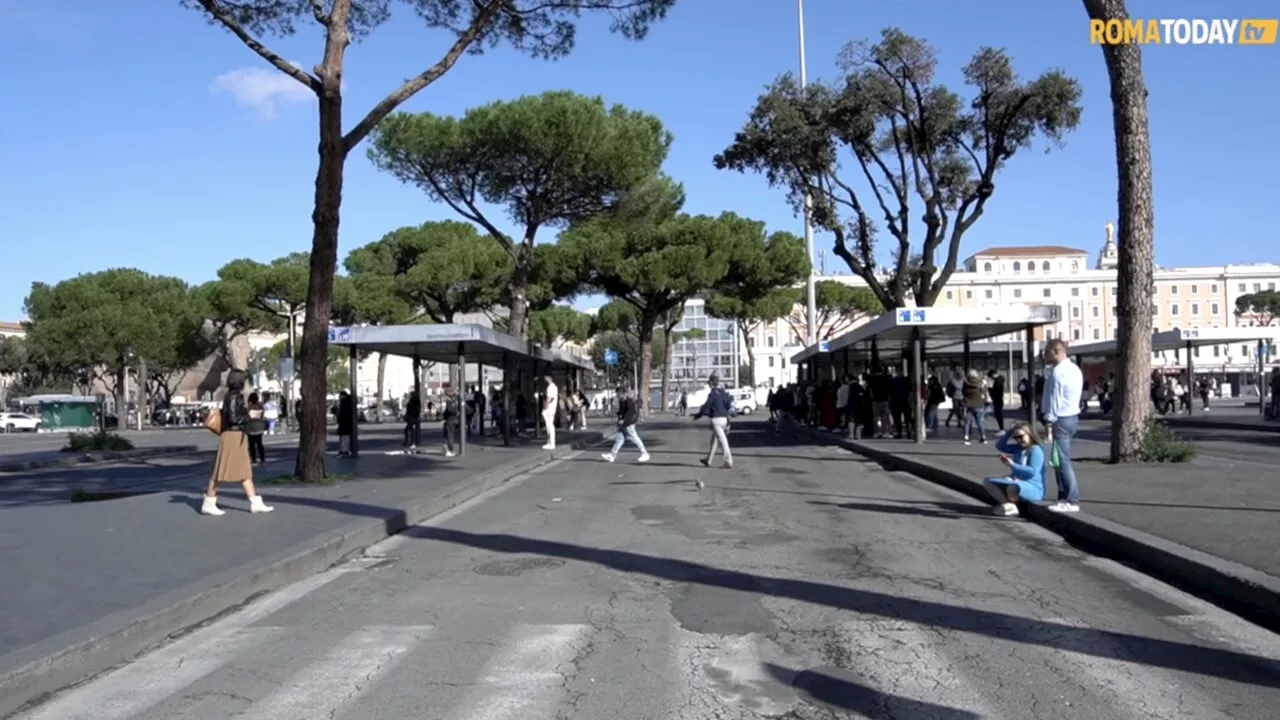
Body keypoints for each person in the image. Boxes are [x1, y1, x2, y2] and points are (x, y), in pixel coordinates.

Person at [202, 370, 273, 516]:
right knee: (221, 471)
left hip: (234, 436)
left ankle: (255, 502)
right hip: (233, 436)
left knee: (243, 470)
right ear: (240, 381)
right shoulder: (234, 397)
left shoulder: (231, 396)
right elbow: (234, 418)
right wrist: (249, 415)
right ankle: (209, 502)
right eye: (244, 380)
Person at [1041, 338, 1084, 512]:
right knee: (1059, 460)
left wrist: (1049, 421)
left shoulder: (1058, 372)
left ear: (1056, 352)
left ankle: (1071, 499)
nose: (1045, 355)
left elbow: (1055, 399)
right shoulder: (1074, 369)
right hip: (1072, 416)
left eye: (1047, 352)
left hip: (1060, 418)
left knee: (1062, 461)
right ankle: (1063, 497)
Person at [982, 423, 1046, 516]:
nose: (1019, 440)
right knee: (988, 482)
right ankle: (1010, 505)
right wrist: (1010, 432)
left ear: (1029, 434)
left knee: (1012, 488)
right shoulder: (1018, 448)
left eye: (1021, 436)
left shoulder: (1036, 450)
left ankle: (1010, 506)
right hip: (1017, 481)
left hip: (1033, 487)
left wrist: (1012, 465)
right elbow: (1000, 445)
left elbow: (1032, 472)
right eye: (1016, 438)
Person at [692, 374, 734, 470]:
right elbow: (728, 404)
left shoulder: (713, 394)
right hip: (725, 420)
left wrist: (698, 415)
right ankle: (708, 460)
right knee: (714, 440)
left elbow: (706, 406)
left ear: (711, 383)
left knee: (722, 441)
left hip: (717, 421)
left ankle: (728, 461)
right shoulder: (723, 393)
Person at [601, 386, 649, 463]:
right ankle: (612, 455)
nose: (617, 396)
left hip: (629, 424)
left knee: (634, 438)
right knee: (619, 439)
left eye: (618, 394)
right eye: (617, 394)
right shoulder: (621, 401)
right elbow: (621, 412)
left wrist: (623, 420)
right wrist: (618, 415)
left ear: (623, 394)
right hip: (624, 424)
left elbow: (630, 413)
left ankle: (645, 453)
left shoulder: (629, 402)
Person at [962, 369, 989, 445]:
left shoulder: (966, 383)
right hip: (979, 404)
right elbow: (984, 393)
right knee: (979, 422)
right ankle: (983, 437)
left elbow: (963, 392)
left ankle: (966, 438)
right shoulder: (981, 383)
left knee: (967, 423)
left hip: (968, 404)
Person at [245, 392, 267, 466]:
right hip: (259, 427)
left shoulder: (249, 407)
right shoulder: (260, 407)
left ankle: (253, 459)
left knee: (251, 445)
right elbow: (262, 417)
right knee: (259, 444)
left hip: (251, 428)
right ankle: (262, 459)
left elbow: (247, 418)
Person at [441, 383, 461, 457]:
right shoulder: (456, 398)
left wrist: (444, 416)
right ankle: (448, 449)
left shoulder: (449, 400)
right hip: (455, 418)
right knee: (449, 434)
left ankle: (451, 450)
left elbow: (448, 410)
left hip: (450, 419)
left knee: (449, 435)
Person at [541, 375, 559, 450]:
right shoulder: (555, 387)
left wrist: (545, 407)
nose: (545, 379)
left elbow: (549, 398)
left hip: (549, 408)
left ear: (549, 378)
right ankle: (550, 442)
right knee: (549, 425)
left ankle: (551, 443)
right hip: (552, 408)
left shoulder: (550, 388)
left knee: (549, 425)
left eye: (546, 378)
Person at [335, 390, 354, 457]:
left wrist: (337, 414)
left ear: (343, 396)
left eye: (340, 396)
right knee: (344, 438)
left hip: (345, 424)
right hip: (345, 424)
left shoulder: (345, 404)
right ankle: (343, 451)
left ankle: (344, 451)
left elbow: (343, 414)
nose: (339, 397)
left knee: (344, 438)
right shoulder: (347, 403)